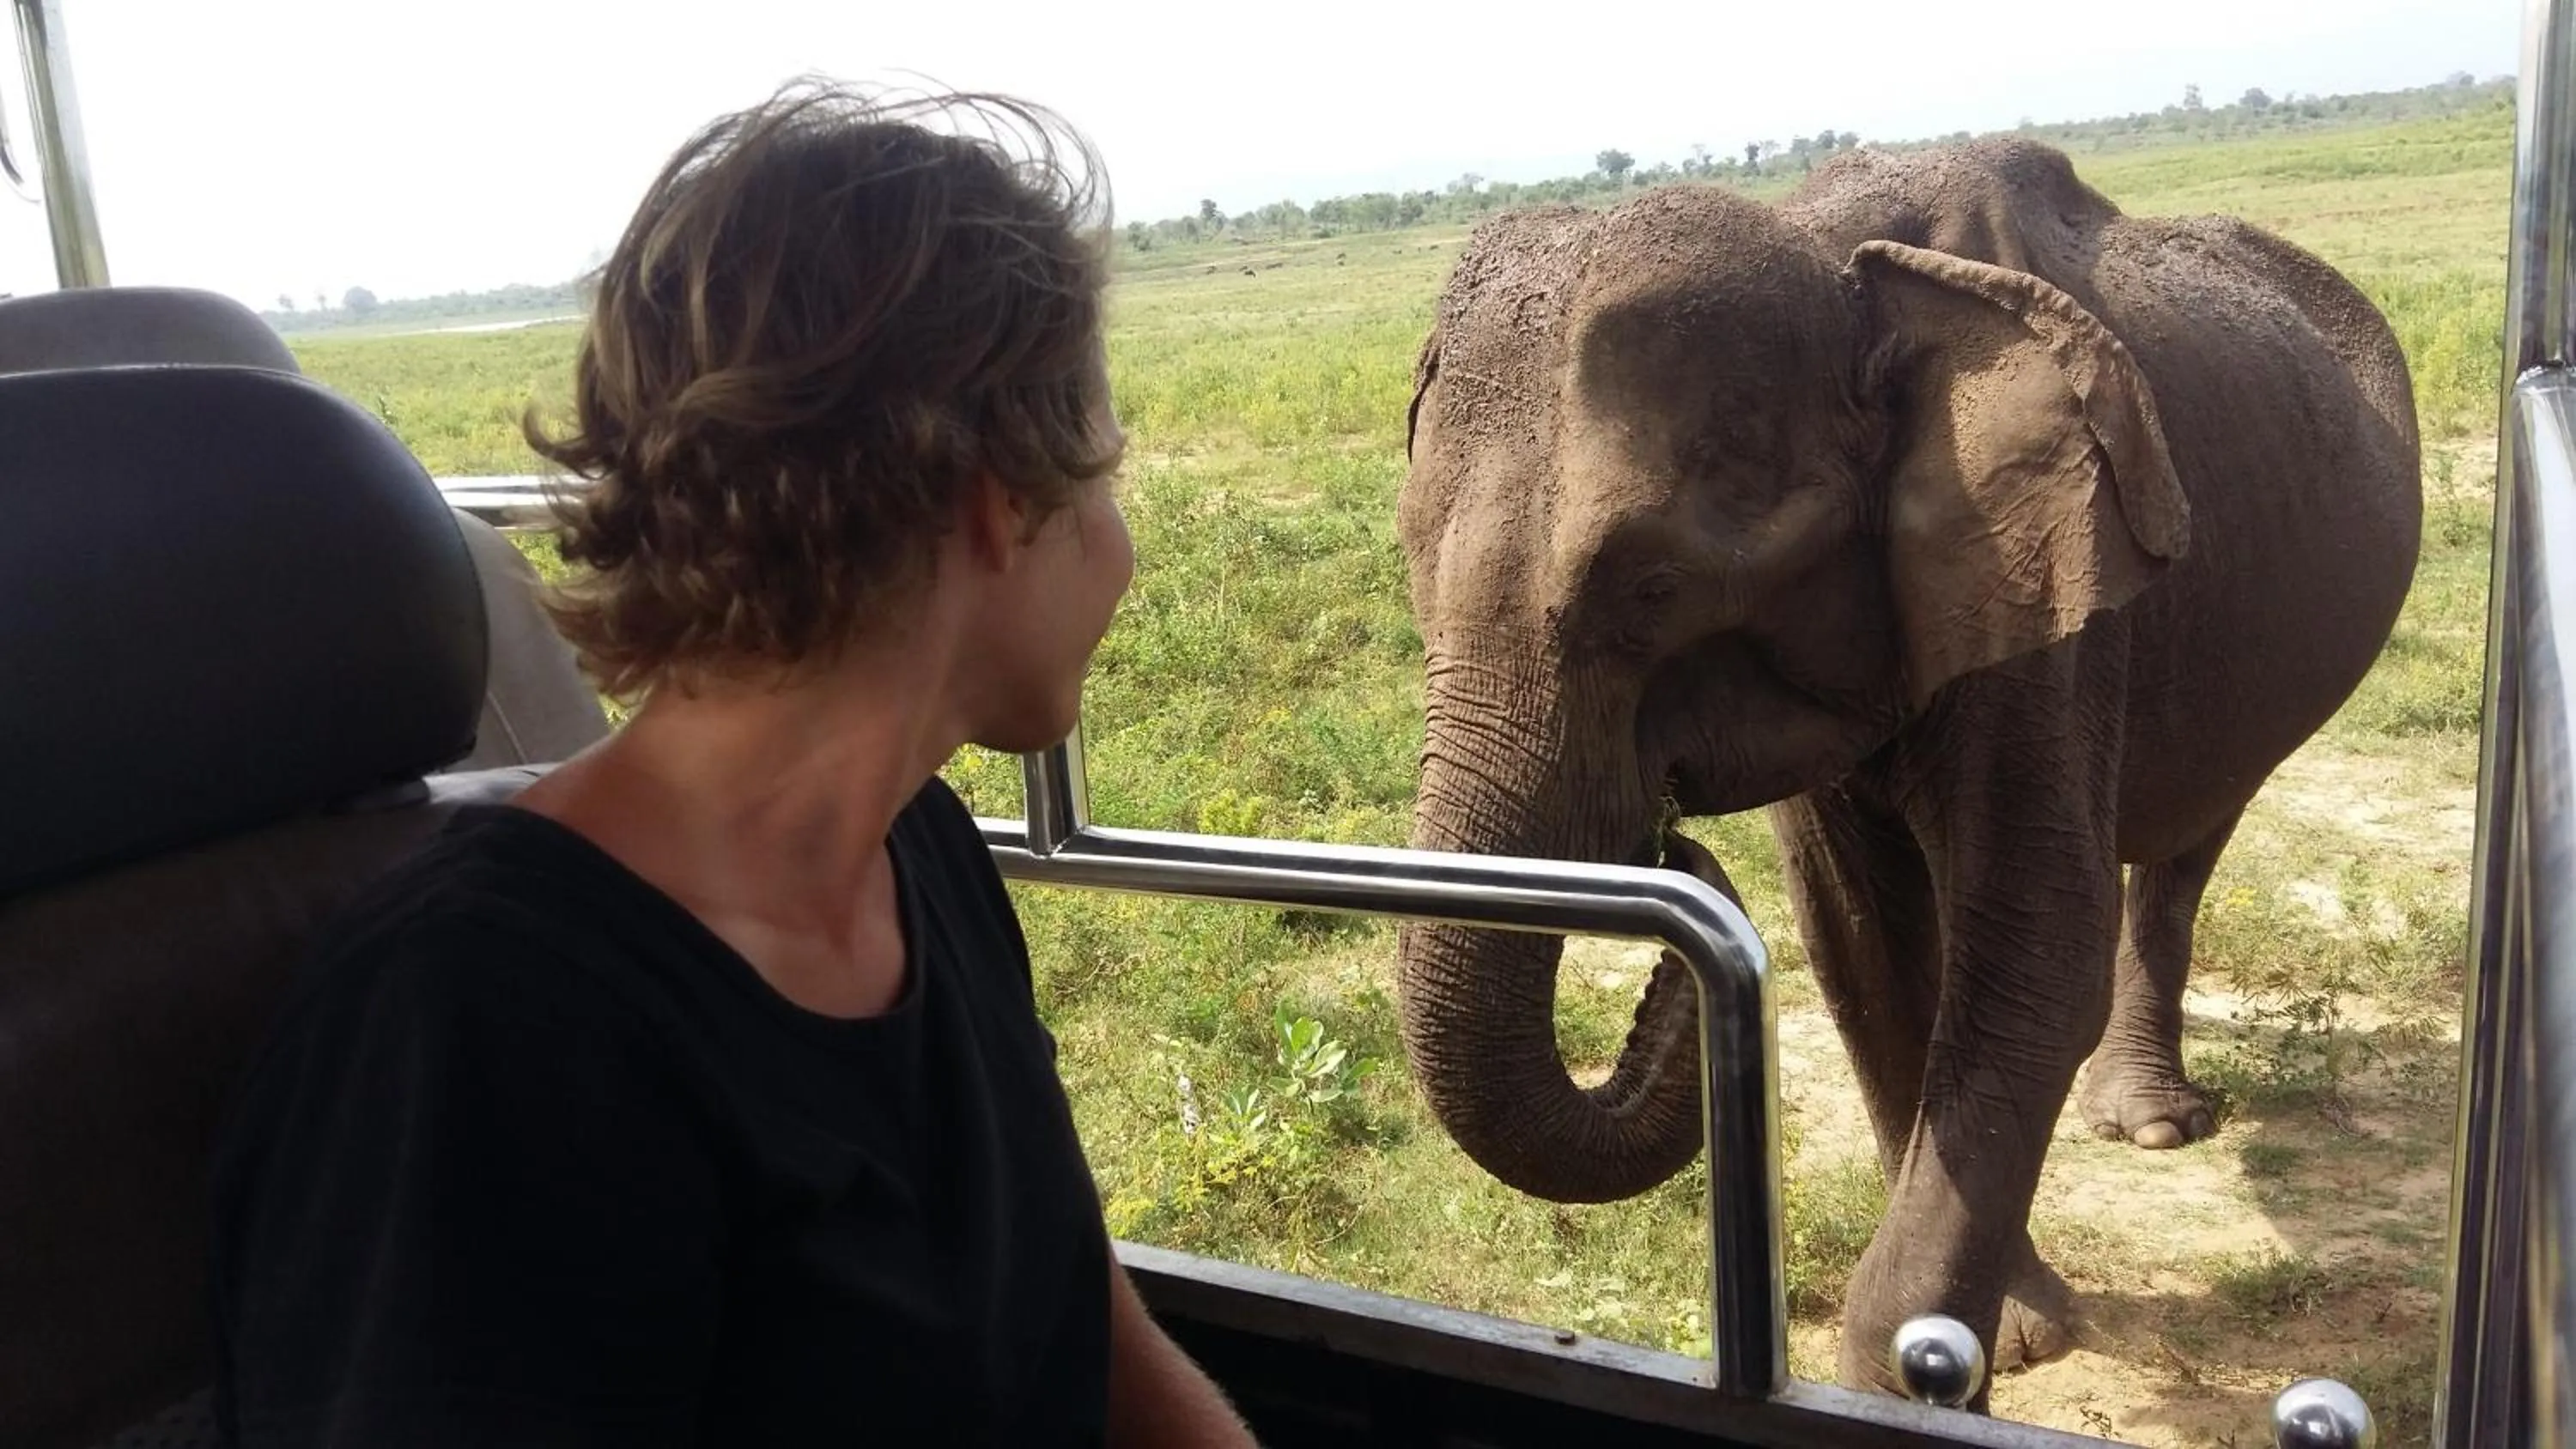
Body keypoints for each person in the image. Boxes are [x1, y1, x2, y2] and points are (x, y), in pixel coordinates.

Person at [208, 77, 1257, 1448]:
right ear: (1000, 499)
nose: (1118, 547)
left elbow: (1091, 1337)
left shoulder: (916, 853)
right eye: (1103, 478)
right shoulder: (477, 1031)